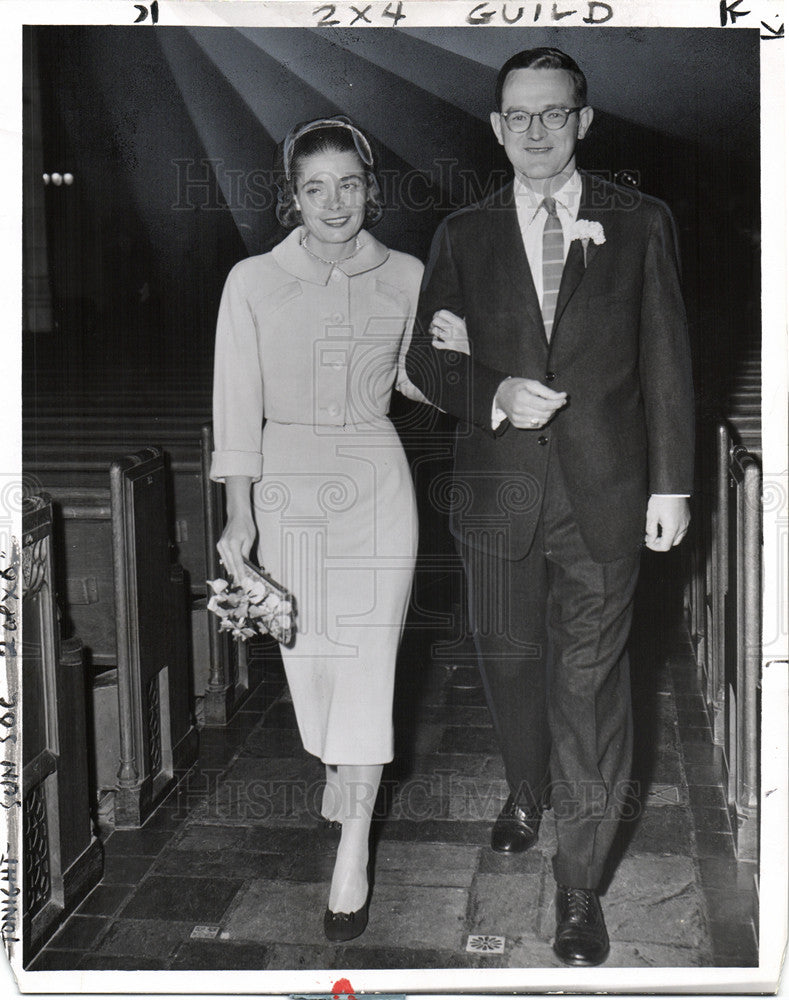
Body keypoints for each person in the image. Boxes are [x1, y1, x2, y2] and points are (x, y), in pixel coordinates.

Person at [406, 48, 694, 966]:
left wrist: (673, 485)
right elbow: (426, 364)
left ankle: (578, 886)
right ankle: (525, 785)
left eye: (554, 114)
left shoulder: (639, 220)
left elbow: (667, 362)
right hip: (497, 498)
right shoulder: (462, 231)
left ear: (584, 119)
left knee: (588, 688)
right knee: (511, 667)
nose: (536, 132)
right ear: (495, 127)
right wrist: (492, 387)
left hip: (603, 496)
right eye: (518, 117)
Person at [210, 116, 432, 943]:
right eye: (314, 188)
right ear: (290, 197)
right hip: (285, 485)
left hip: (376, 479)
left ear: (370, 187)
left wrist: (462, 359)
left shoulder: (406, 273)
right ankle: (341, 769)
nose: (333, 203)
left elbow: (415, 380)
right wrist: (239, 513)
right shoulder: (252, 281)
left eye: (348, 184)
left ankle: (354, 845)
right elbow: (234, 403)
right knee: (311, 663)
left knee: (369, 660)